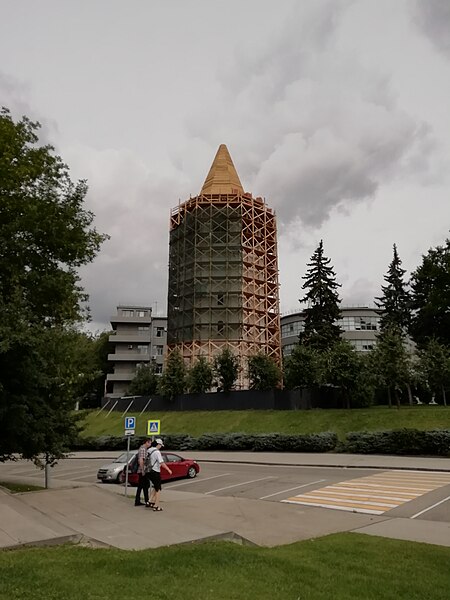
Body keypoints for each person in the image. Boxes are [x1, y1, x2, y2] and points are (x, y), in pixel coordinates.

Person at [147, 438, 172, 511]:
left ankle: (150, 501)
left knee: (155, 486)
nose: (161, 447)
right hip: (155, 471)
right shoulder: (157, 452)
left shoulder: (149, 450)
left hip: (148, 471)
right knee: (158, 489)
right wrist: (168, 469)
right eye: (161, 445)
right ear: (158, 444)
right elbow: (162, 463)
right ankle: (156, 505)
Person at [134, 438, 152, 507]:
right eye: (149, 443)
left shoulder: (142, 448)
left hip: (142, 470)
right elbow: (141, 460)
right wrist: (143, 470)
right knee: (144, 485)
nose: (150, 445)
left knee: (142, 486)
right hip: (142, 470)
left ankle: (141, 501)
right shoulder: (143, 449)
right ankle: (145, 501)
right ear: (146, 442)